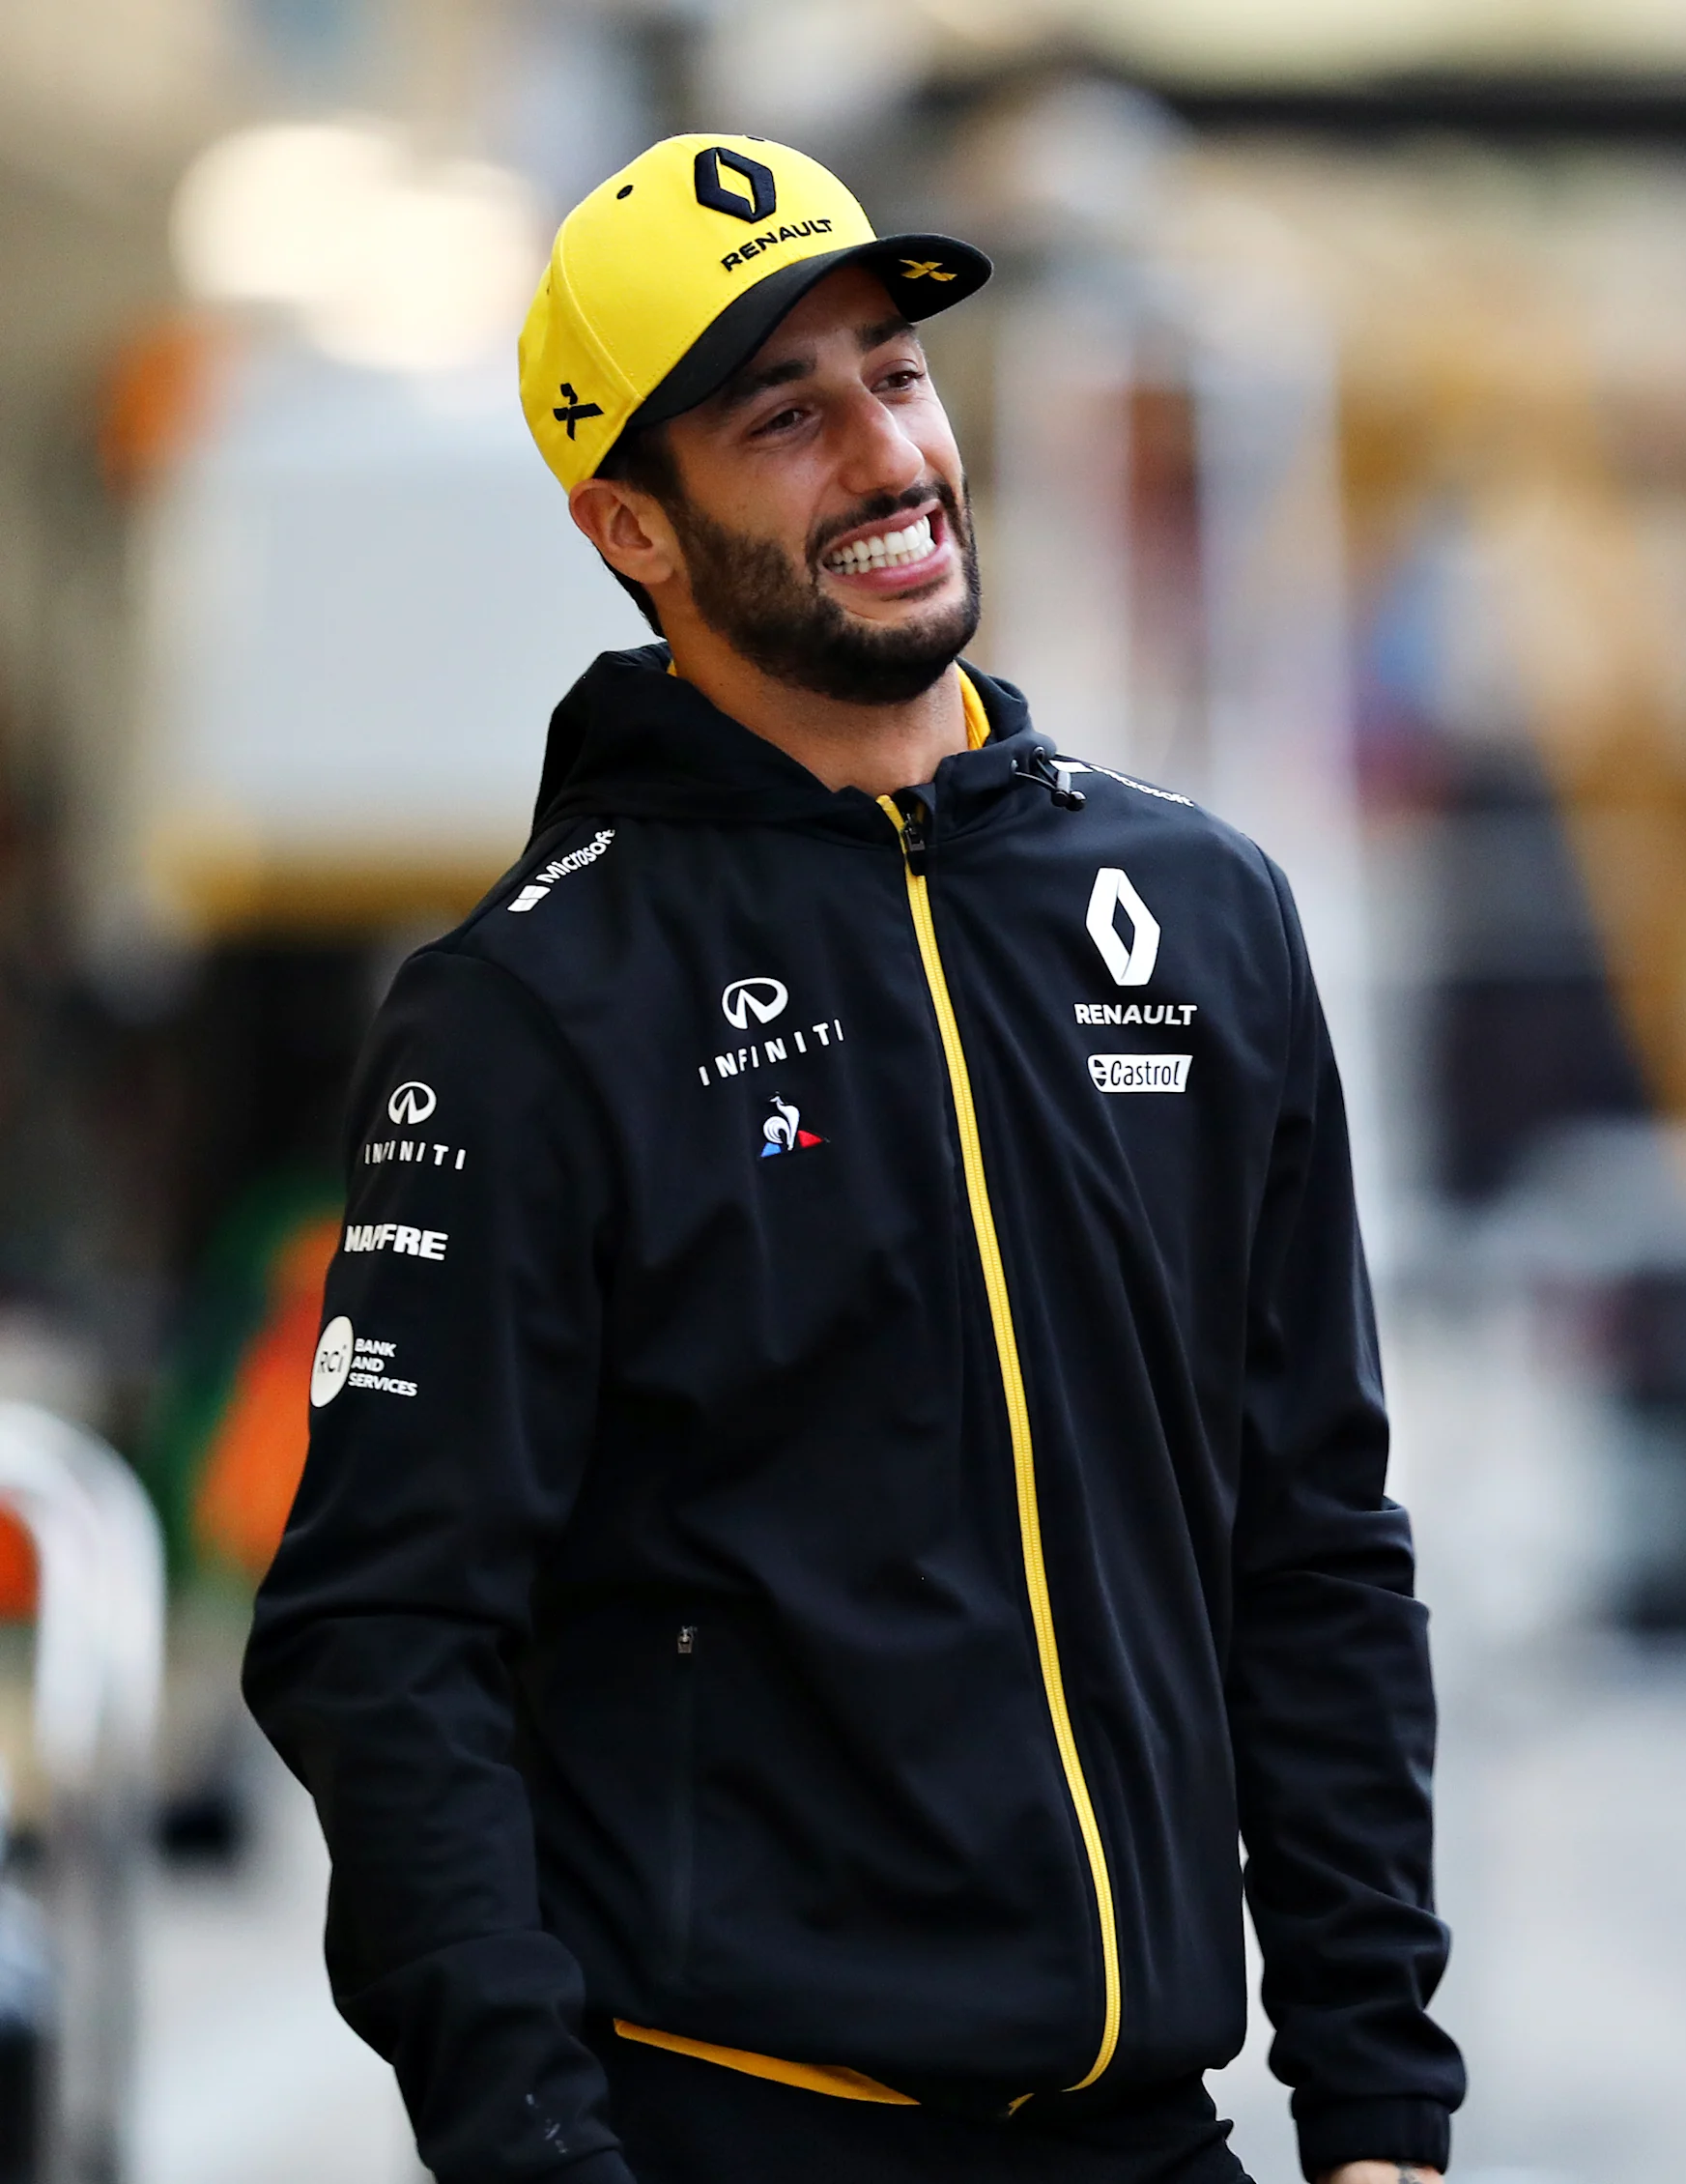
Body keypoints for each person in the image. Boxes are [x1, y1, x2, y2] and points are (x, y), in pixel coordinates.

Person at [243, 136, 1461, 2184]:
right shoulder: (538, 1005)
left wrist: (1379, 2101)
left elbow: (1311, 1539)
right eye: (782, 418)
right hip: (733, 2128)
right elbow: (382, 1636)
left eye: (894, 374)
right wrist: (529, 2137)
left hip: (1157, 2134)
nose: (886, 456)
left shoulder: (1200, 907)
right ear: (631, 522)